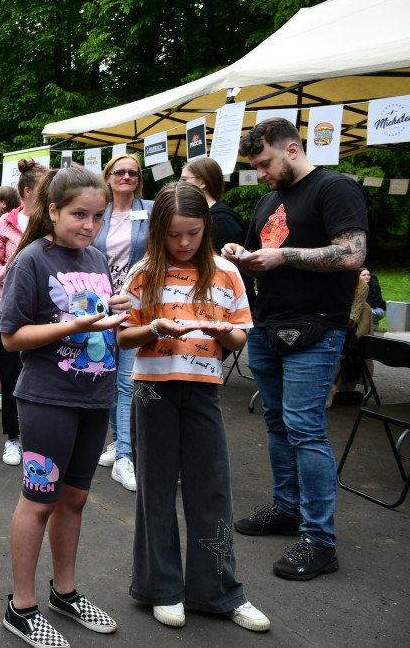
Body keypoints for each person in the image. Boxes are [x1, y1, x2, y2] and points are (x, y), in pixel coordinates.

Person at [117, 182, 269, 632]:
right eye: (174, 235)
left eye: (193, 234)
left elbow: (241, 334)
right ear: (158, 231)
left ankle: (219, 592)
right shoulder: (142, 272)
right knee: (156, 490)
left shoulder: (226, 272)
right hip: (152, 391)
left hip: (203, 390)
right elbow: (124, 336)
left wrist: (222, 333)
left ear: (207, 229)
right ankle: (160, 588)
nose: (184, 243)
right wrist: (154, 329)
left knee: (212, 490)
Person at [223, 117, 367, 581]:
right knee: (278, 424)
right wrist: (236, 254)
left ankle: (320, 541)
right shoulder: (269, 200)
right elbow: (255, 257)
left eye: (264, 163)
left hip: (316, 330)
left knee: (306, 429)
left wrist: (284, 256)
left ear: (291, 149)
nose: (260, 174)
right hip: (268, 328)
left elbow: (352, 253)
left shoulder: (334, 187)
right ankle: (287, 510)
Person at [0, 167, 126, 648]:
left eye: (98, 215)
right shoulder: (31, 260)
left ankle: (64, 593)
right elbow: (11, 338)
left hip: (95, 396)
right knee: (40, 501)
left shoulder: (95, 256)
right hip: (47, 398)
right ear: (52, 210)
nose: (90, 224)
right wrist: (71, 328)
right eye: (79, 214)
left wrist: (119, 312)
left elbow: (99, 319)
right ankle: (22, 606)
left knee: (74, 499)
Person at [91, 152, 153, 492]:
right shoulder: (101, 212)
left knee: (128, 380)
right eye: (119, 172)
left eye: (132, 172)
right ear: (108, 176)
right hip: (101, 304)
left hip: (135, 305)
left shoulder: (151, 210)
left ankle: (125, 455)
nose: (126, 177)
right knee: (109, 377)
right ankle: (118, 441)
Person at [0, 163, 42, 467]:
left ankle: (39, 434)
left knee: (44, 370)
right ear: (29, 191)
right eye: (45, 189)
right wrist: (13, 272)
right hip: (10, 305)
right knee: (11, 372)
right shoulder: (5, 224)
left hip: (47, 309)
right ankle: (14, 437)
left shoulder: (52, 220)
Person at [180, 156, 256, 309]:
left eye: (184, 180)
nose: (179, 185)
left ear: (202, 182)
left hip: (230, 308)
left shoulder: (221, 220)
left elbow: (228, 271)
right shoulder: (207, 217)